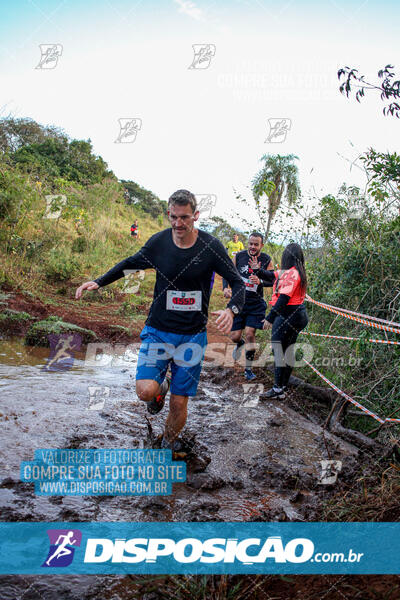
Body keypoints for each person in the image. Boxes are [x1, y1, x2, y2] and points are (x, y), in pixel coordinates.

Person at [76, 190, 245, 449]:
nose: (178, 224)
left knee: (179, 403)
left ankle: (166, 445)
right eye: (173, 217)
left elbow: (236, 281)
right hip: (158, 330)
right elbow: (130, 263)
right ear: (169, 215)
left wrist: (231, 310)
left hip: (192, 337)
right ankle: (160, 388)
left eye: (184, 217)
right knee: (145, 390)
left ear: (195, 216)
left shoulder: (211, 247)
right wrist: (99, 281)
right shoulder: (158, 243)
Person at [255, 243, 309, 399]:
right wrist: (258, 270)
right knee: (288, 351)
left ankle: (278, 388)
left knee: (278, 350)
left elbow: (283, 299)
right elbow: (271, 276)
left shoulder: (292, 274)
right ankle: (282, 387)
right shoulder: (295, 272)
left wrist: (269, 318)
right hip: (298, 315)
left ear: (287, 256)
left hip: (288, 315)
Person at [223, 232, 273, 381]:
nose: (252, 247)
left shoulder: (266, 260)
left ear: (261, 246)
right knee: (235, 336)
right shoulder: (239, 256)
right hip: (239, 302)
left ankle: (248, 369)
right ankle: (240, 343)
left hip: (255, 304)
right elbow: (227, 272)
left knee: (250, 333)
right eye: (250, 243)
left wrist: (261, 282)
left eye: (256, 244)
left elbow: (273, 280)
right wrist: (226, 287)